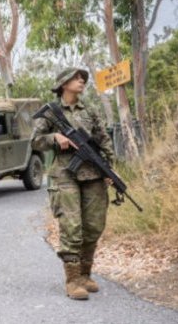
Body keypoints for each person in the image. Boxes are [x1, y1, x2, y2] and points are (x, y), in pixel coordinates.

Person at [32, 68, 115, 300]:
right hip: (65, 175)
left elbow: (103, 139)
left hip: (94, 175)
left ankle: (86, 275)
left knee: (94, 226)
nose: (81, 81)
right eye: (77, 78)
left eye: (83, 79)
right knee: (72, 228)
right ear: (63, 84)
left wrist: (110, 168)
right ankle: (72, 280)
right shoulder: (51, 113)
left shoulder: (90, 110)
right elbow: (35, 142)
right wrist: (54, 138)